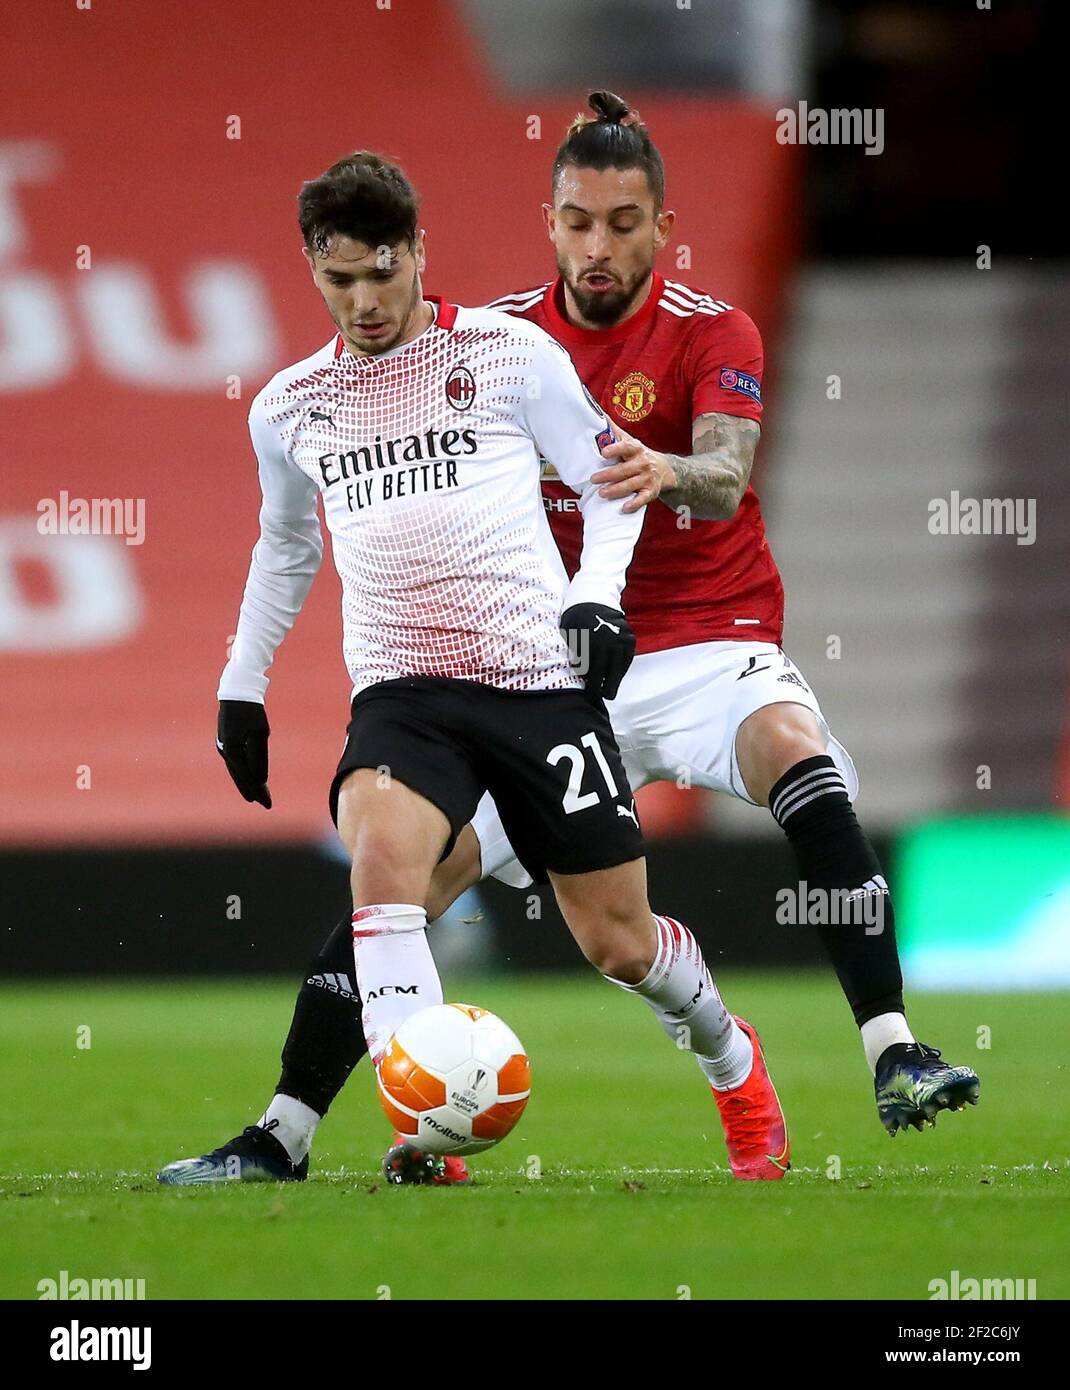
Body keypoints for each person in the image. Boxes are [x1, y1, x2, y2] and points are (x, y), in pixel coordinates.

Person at [158, 147, 789, 1189]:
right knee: (382, 870)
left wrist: (593, 596)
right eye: (338, 277)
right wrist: (241, 680)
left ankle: (731, 1059)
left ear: (416, 252)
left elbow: (609, 478)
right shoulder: (288, 405)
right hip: (403, 694)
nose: (362, 300)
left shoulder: (506, 353)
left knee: (618, 943)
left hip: (538, 684)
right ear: (310, 270)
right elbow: (285, 546)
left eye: (380, 270)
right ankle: (378, 1131)